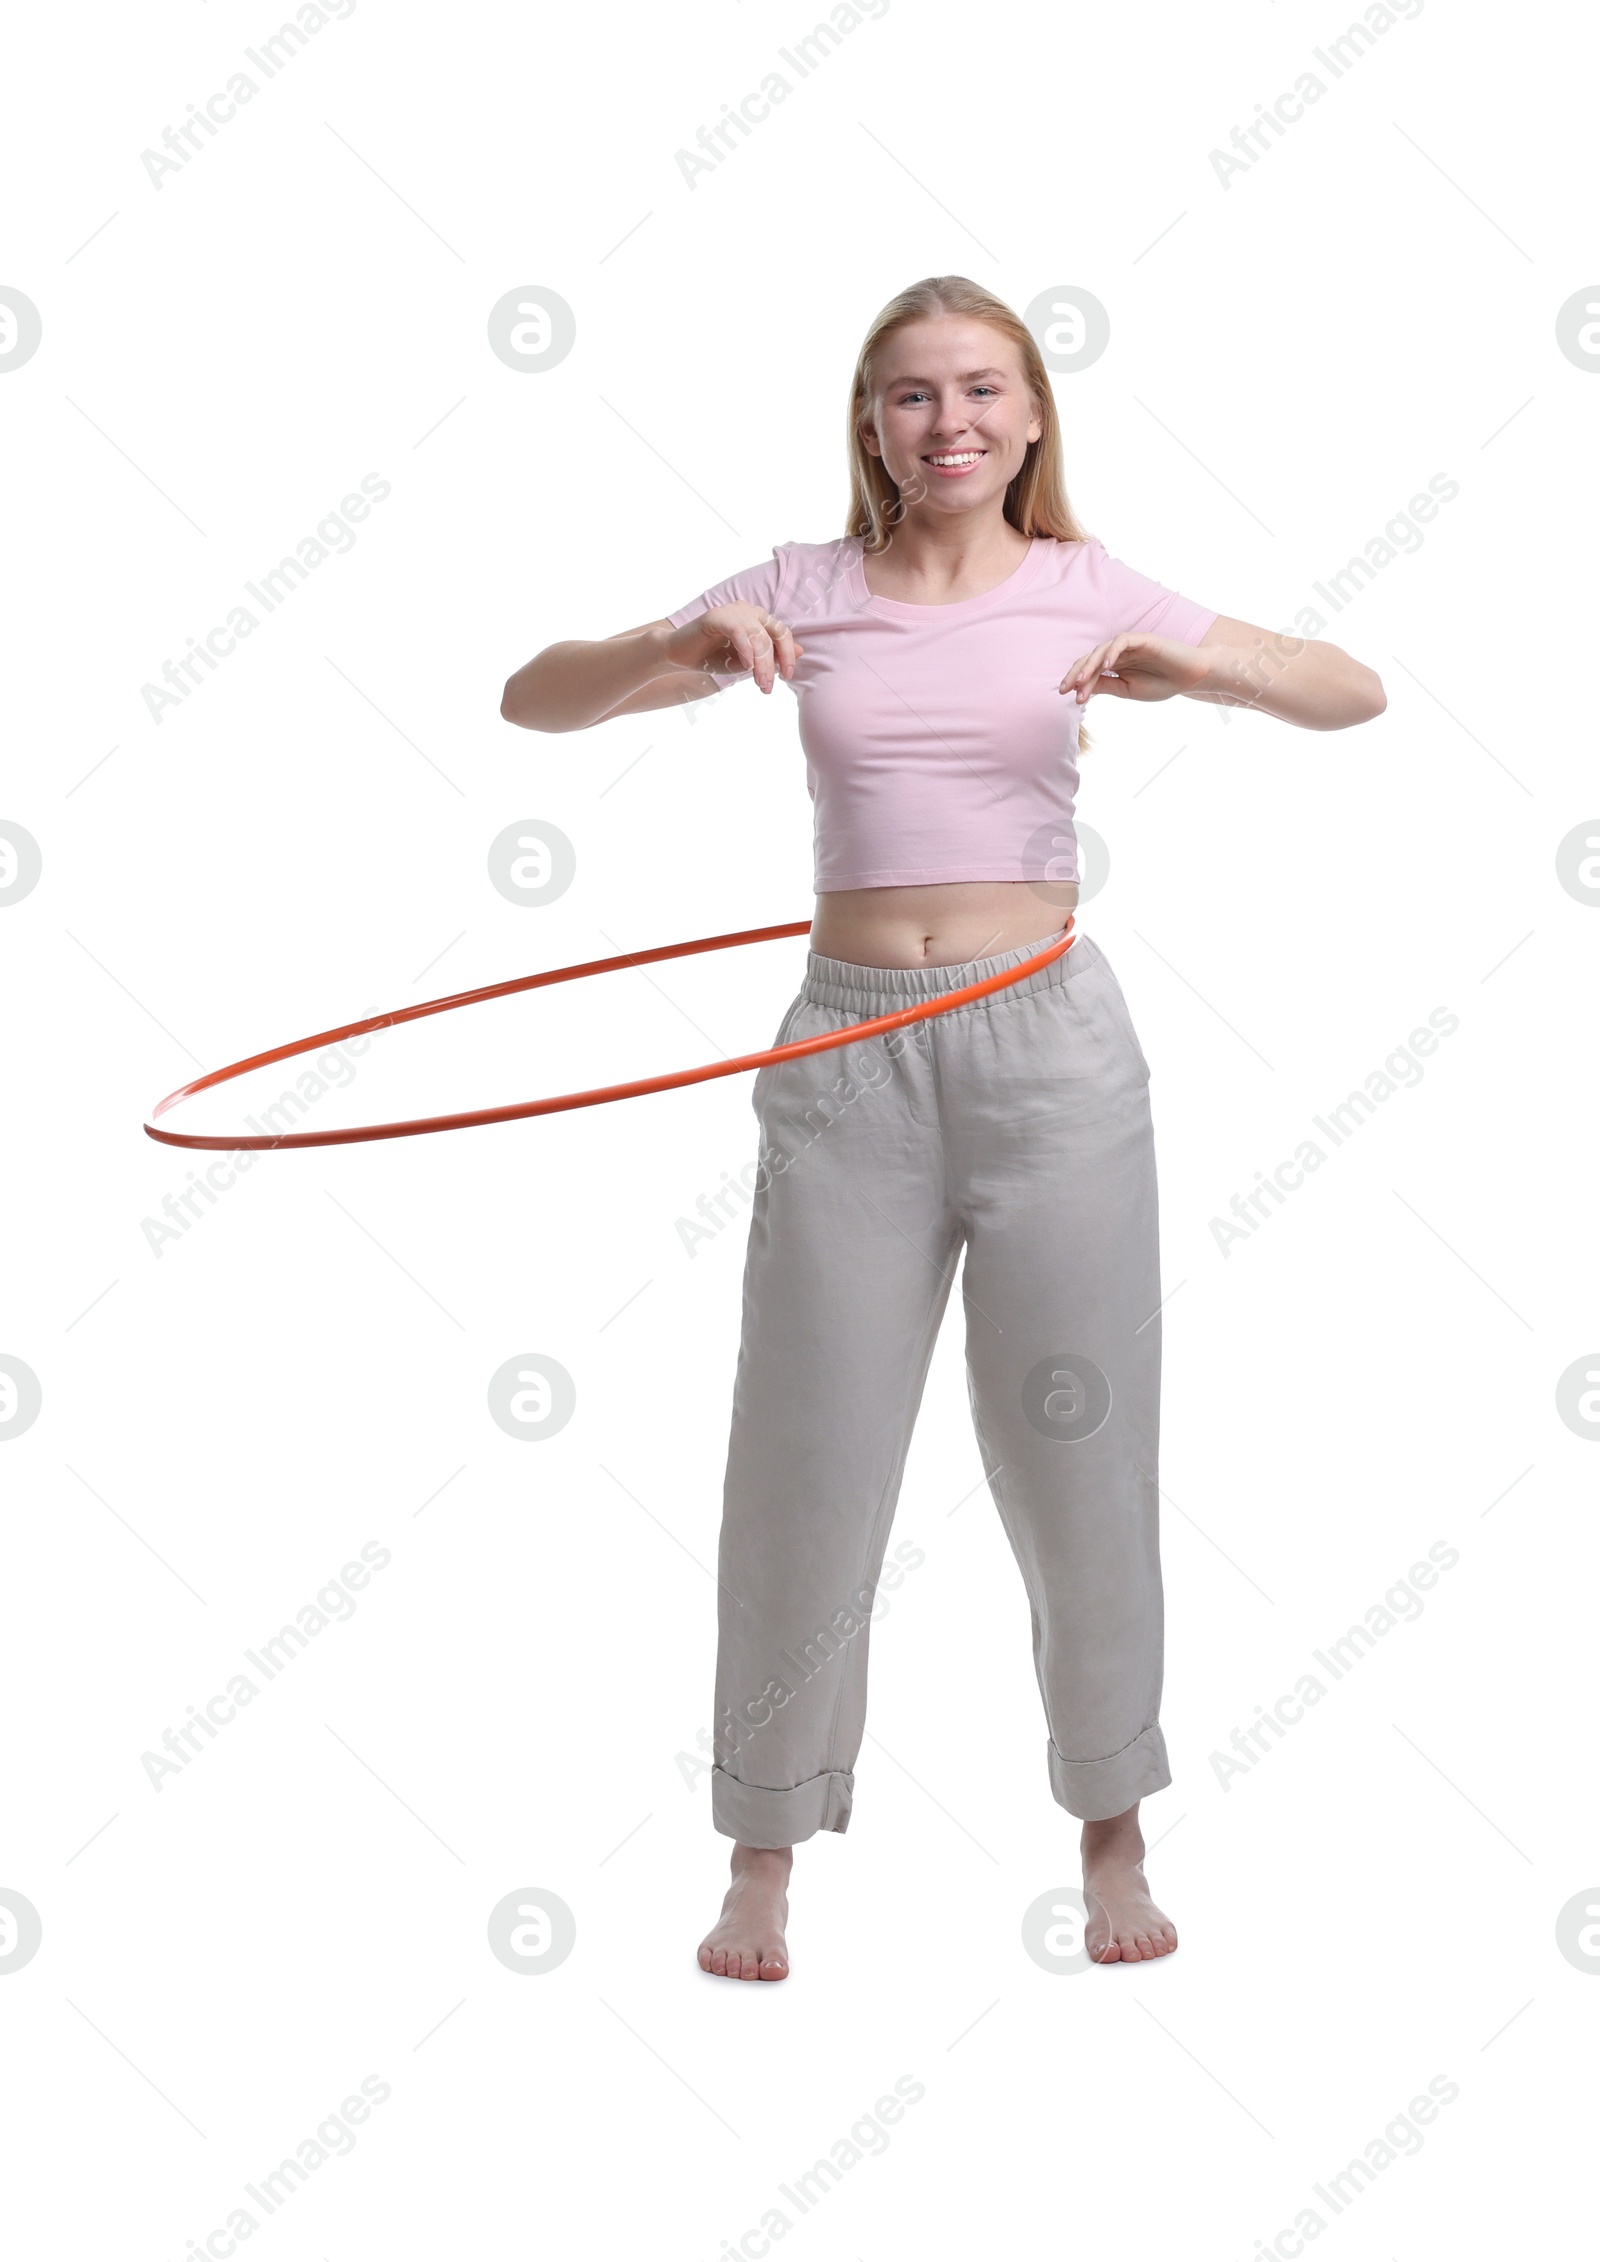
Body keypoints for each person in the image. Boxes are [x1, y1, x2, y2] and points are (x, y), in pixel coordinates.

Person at [500, 275, 1385, 1981]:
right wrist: (674, 650)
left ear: (1035, 415)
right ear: (871, 424)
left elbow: (1351, 689)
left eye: (983, 388)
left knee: (1079, 1446)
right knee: (804, 1457)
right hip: (847, 1055)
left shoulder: (1086, 586)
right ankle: (762, 1850)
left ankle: (1111, 1825)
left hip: (1047, 1048)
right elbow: (535, 699)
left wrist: (1196, 673)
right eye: (912, 395)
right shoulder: (795, 590)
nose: (950, 420)